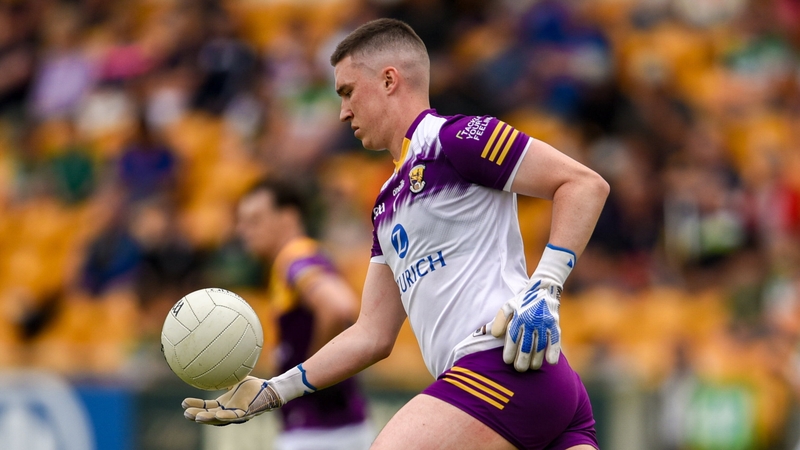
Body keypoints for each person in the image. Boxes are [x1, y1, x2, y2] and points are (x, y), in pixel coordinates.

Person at [183, 18, 609, 450]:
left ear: (389, 80)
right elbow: (371, 335)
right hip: (537, 386)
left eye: (348, 91)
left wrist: (546, 287)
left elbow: (583, 185)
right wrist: (274, 390)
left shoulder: (456, 138)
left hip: (500, 366)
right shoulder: (386, 202)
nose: (343, 111)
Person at [233, 178, 373, 449]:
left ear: (288, 217)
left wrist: (309, 376)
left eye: (255, 220)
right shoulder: (296, 259)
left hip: (319, 431)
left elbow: (338, 307)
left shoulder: (295, 257)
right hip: (338, 426)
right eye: (242, 221)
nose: (243, 230)